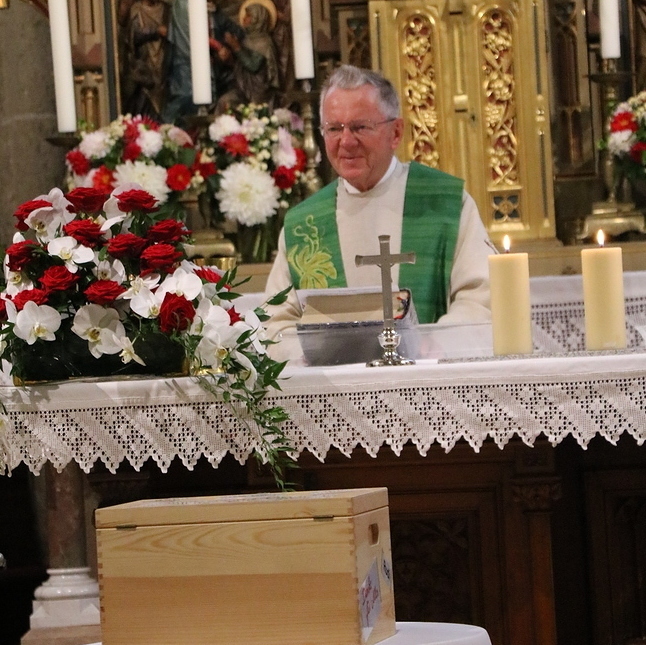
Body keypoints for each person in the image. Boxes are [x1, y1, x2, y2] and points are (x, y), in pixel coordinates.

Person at [263, 65, 494, 359]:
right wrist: (316, 353)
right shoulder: (305, 224)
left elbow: (481, 299)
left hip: (431, 388)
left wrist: (430, 346)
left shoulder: (444, 203)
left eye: (360, 127)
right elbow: (274, 324)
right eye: (334, 128)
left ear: (395, 132)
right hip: (338, 400)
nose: (346, 141)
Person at [121, 0, 169, 120]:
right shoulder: (137, 9)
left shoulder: (166, 9)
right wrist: (156, 32)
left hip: (163, 61)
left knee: (163, 99)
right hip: (144, 64)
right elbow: (133, 36)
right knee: (144, 103)